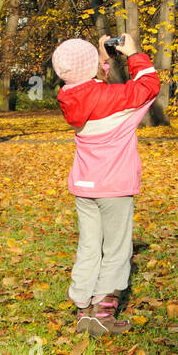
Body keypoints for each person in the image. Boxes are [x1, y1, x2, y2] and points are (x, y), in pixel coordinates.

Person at [50, 33, 160, 336]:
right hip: (114, 187)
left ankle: (83, 307)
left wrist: (103, 56)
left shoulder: (69, 96)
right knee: (115, 249)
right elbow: (148, 87)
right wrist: (134, 54)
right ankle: (103, 313)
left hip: (84, 187)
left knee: (89, 246)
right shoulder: (116, 102)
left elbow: (93, 86)